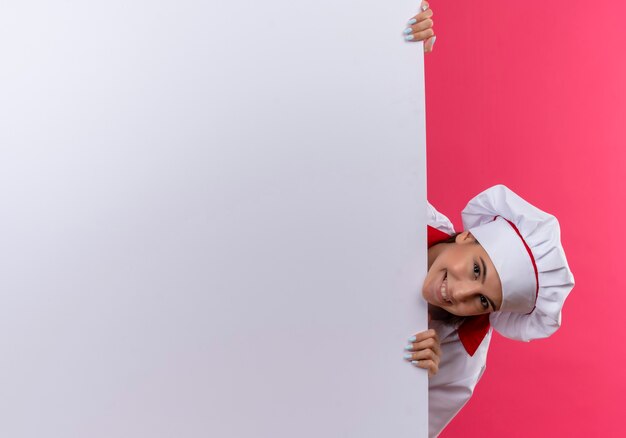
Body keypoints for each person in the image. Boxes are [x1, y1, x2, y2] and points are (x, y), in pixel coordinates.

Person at [404, 184, 575, 437]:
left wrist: (412, 385)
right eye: (476, 269)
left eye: (483, 301)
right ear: (467, 237)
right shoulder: (409, 212)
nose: (460, 293)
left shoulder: (463, 363)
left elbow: (408, 432)